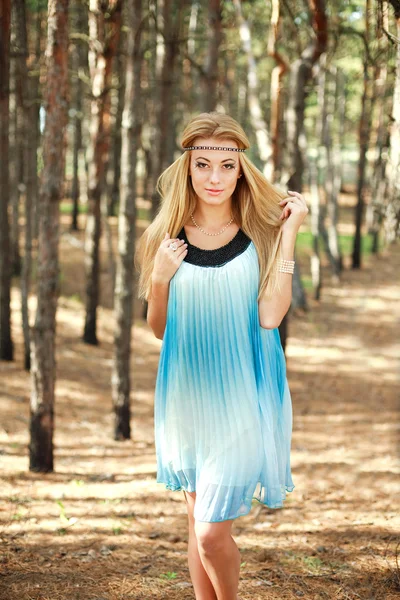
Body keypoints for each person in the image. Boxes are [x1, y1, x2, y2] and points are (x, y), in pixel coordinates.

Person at [135, 112, 308, 600]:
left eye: (226, 167)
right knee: (196, 525)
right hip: (187, 399)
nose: (215, 178)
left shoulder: (260, 235)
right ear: (188, 167)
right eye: (203, 164)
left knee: (211, 533)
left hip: (242, 397)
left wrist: (290, 232)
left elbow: (271, 316)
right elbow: (159, 329)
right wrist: (160, 277)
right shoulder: (166, 237)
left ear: (240, 170)